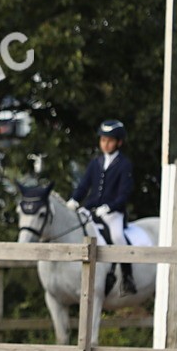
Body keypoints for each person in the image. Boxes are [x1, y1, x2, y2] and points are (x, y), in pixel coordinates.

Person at [67, 119, 136, 294]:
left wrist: (110, 207)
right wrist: (75, 200)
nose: (105, 144)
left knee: (118, 237)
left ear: (119, 142)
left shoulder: (124, 164)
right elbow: (84, 185)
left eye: (110, 140)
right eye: (103, 140)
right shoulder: (95, 163)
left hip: (113, 213)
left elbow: (124, 194)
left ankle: (127, 278)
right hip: (92, 209)